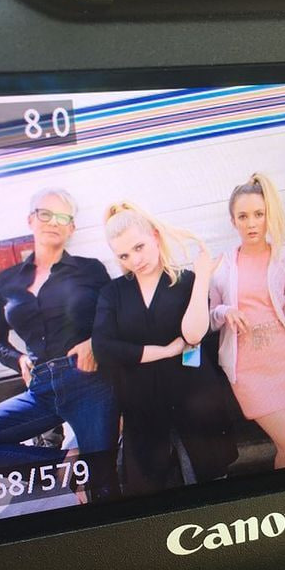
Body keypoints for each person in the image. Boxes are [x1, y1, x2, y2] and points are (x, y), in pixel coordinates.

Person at [0, 189, 120, 502]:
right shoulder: (8, 281)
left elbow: (118, 313)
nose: (53, 222)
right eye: (45, 214)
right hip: (40, 389)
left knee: (102, 489)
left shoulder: (90, 269)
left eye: (63, 217)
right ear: (31, 220)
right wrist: (18, 359)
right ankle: (63, 466)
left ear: (71, 228)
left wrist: (94, 342)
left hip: (88, 383)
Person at [92, 202, 237, 496]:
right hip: (143, 409)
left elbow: (194, 335)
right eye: (124, 255)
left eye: (139, 247)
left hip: (194, 399)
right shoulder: (113, 293)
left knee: (209, 483)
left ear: (155, 236)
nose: (135, 260)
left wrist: (203, 278)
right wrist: (166, 351)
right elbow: (104, 349)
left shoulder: (186, 281)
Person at [209, 172, 285, 469]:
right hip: (249, 371)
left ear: (268, 216)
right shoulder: (223, 265)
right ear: (233, 221)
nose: (251, 223)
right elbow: (211, 318)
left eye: (259, 214)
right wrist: (225, 312)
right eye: (243, 216)